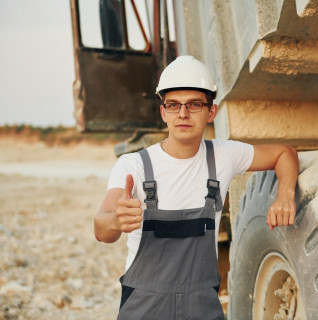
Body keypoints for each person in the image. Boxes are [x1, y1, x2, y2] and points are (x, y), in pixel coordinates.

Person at [94, 55, 299, 319]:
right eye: (173, 105)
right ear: (163, 112)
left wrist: (285, 195)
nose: (183, 114)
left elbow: (284, 154)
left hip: (201, 307)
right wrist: (117, 221)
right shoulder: (134, 165)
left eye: (194, 104)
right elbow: (101, 229)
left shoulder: (224, 156)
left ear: (211, 112)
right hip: (144, 307)